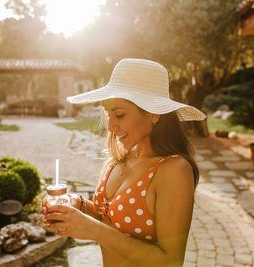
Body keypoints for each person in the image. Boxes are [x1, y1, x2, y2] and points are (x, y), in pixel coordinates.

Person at [43, 58, 206, 267]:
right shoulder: (121, 158)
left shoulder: (173, 170)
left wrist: (92, 229)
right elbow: (115, 219)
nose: (110, 126)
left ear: (153, 113)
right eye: (108, 114)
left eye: (119, 114)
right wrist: (81, 205)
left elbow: (170, 260)